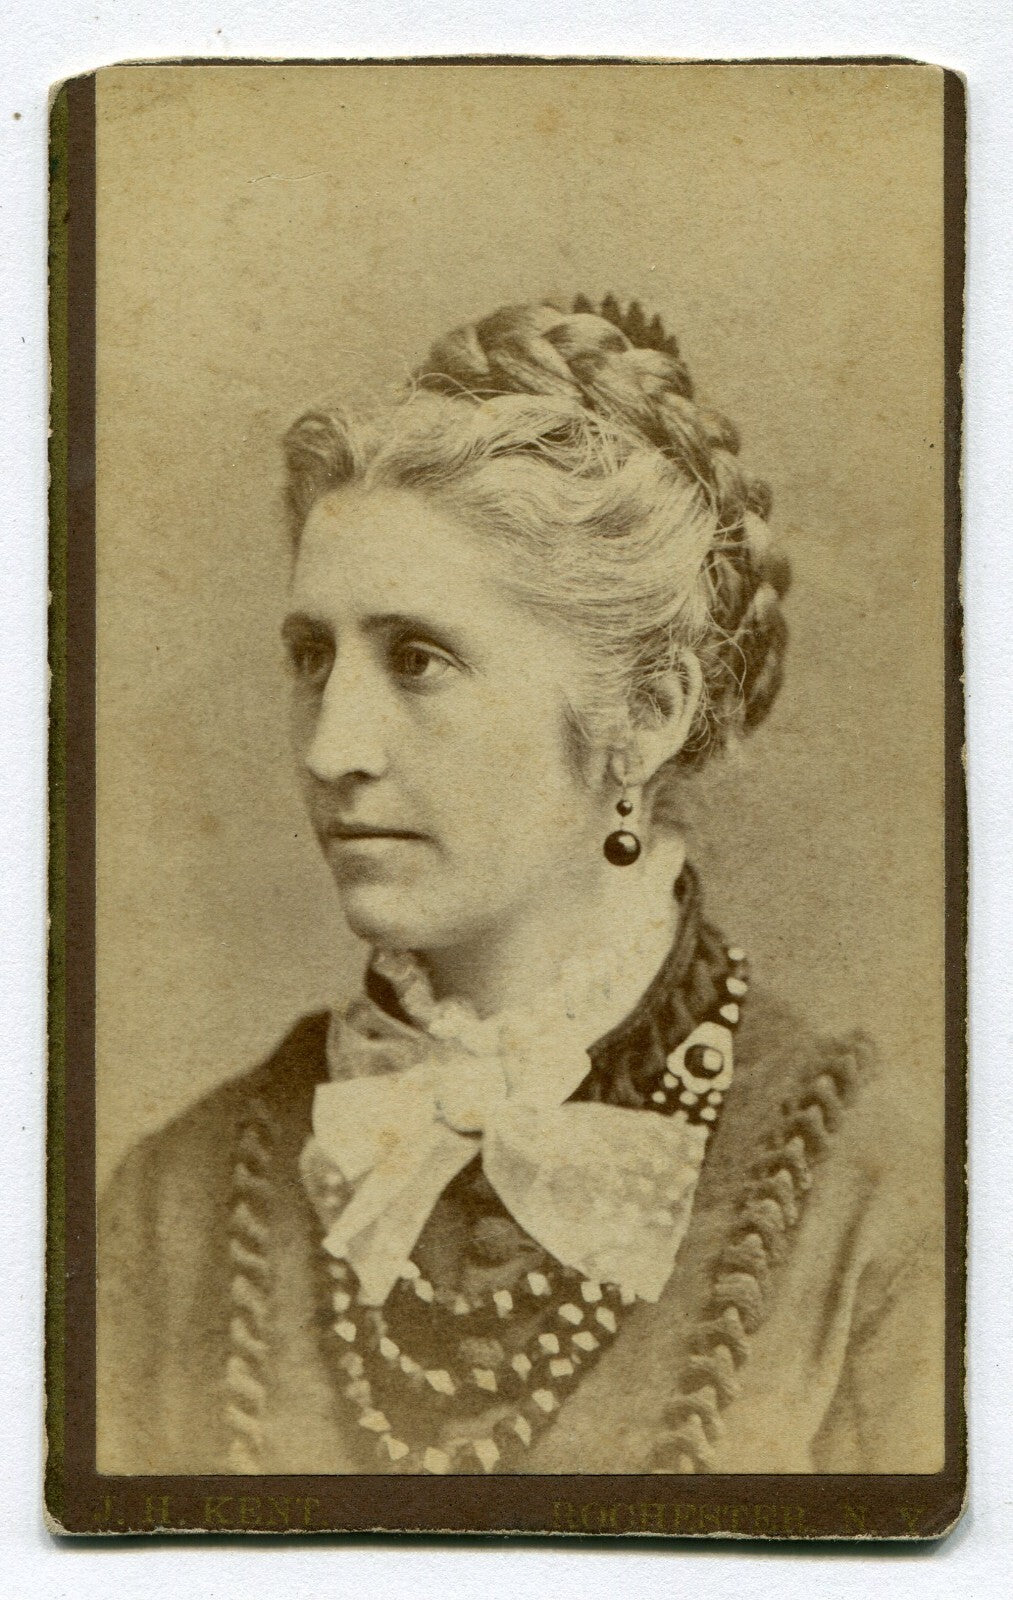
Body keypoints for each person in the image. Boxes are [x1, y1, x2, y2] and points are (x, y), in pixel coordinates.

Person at [98, 297, 943, 1477]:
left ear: (644, 714)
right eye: (310, 657)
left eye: (417, 659)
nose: (331, 746)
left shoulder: (881, 1200)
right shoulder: (171, 1206)